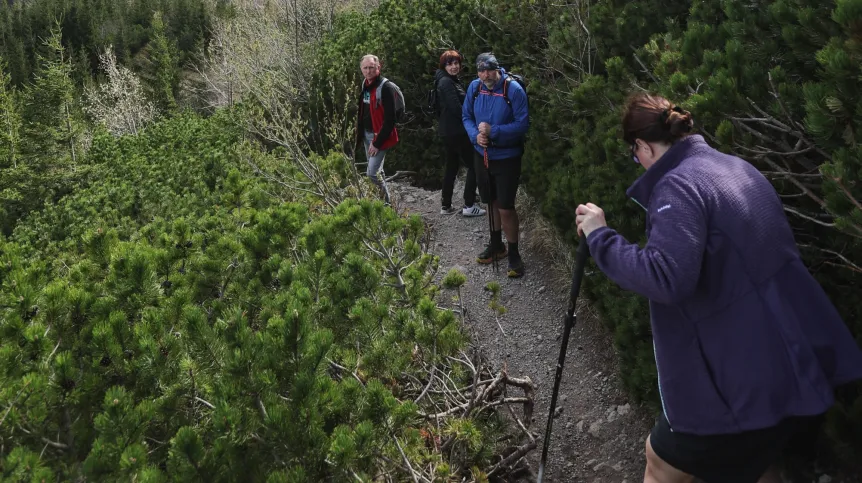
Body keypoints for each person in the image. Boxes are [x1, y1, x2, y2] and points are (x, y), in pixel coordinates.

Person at [574, 92, 862, 483]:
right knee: (762, 464)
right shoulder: (734, 167)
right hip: (792, 365)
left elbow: (665, 277)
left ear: (642, 145)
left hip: (740, 381)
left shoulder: (676, 187)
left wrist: (600, 236)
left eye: (634, 154)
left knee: (659, 463)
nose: (637, 163)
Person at [462, 53, 529, 278]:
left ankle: (514, 254)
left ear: (497, 69)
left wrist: (494, 132)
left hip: (507, 157)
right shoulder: (474, 87)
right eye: (481, 71)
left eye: (489, 70)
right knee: (490, 200)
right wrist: (475, 137)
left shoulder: (513, 90)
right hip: (482, 155)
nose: (485, 75)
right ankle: (496, 245)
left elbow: (522, 124)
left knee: (506, 206)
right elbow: (466, 117)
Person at [434, 49, 485, 217]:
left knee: (452, 166)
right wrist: (473, 122)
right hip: (456, 131)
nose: (454, 66)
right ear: (444, 66)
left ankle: (446, 205)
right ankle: (469, 205)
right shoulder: (446, 83)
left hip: (448, 131)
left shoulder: (448, 80)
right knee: (474, 165)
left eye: (456, 63)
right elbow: (456, 108)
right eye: (450, 64)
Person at [355, 54, 399, 203]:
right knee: (378, 171)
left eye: (371, 68)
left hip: (380, 137)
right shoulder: (365, 84)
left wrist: (377, 142)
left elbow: (390, 119)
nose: (368, 71)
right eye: (365, 68)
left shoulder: (385, 87)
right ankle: (383, 203)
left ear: (378, 67)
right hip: (367, 135)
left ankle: (386, 205)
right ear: (361, 69)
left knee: (372, 173)